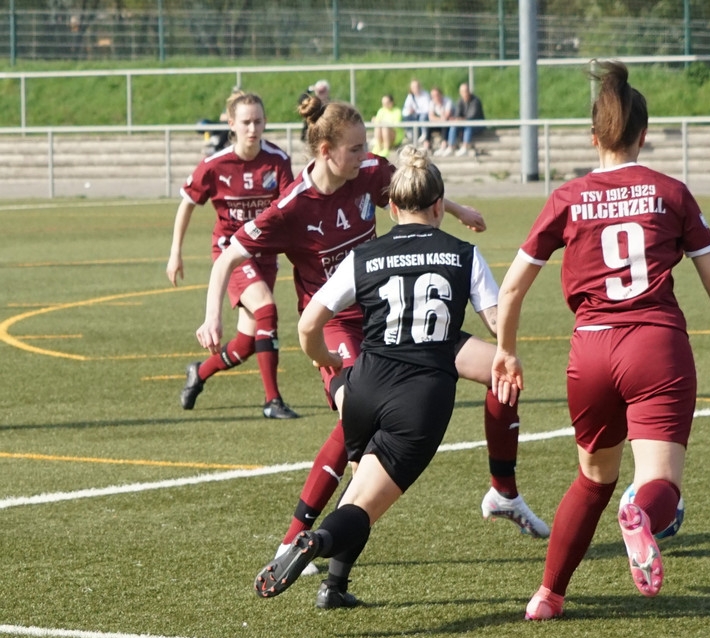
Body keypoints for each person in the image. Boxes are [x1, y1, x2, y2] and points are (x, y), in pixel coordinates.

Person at [196, 97, 549, 582]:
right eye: (357, 149)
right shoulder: (292, 206)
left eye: (366, 148)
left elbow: (414, 192)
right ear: (326, 151)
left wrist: (457, 209)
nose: (367, 157)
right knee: (353, 429)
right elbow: (228, 257)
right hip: (338, 327)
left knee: (500, 369)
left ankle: (503, 492)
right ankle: (293, 540)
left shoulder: (365, 173)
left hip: (390, 314)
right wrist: (212, 315)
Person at [490, 61, 710, 621]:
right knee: (659, 483)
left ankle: (548, 595)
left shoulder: (568, 197)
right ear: (644, 134)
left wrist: (506, 350)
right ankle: (641, 515)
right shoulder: (670, 192)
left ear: (594, 137)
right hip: (655, 345)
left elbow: (511, 286)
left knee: (592, 480)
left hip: (590, 351)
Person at [253, 146, 503, 605]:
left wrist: (327, 360)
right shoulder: (463, 254)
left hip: (364, 387)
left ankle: (334, 587)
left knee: (360, 486)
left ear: (391, 209)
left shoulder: (363, 256)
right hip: (419, 397)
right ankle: (316, 542)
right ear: (438, 207)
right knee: (363, 506)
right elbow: (498, 324)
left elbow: (308, 325)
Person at [168, 91, 298, 419]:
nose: (253, 129)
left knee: (246, 343)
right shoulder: (215, 165)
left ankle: (199, 372)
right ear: (231, 124)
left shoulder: (277, 161)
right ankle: (272, 401)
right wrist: (175, 253)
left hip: (265, 255)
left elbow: (290, 209)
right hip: (231, 252)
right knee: (267, 309)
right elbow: (187, 203)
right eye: (246, 122)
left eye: (258, 122)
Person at [444, 82, 485, 156]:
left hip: (477, 125)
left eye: (466, 91)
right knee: (453, 126)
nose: (464, 93)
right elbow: (457, 114)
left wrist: (460, 119)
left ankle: (465, 147)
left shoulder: (475, 101)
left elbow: (472, 117)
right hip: (464, 123)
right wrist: (456, 119)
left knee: (468, 126)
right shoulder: (460, 101)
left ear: (469, 91)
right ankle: (451, 146)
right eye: (462, 92)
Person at [401, 79, 432, 151]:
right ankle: (409, 134)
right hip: (415, 116)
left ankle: (424, 134)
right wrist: (409, 111)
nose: (416, 89)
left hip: (424, 116)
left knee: (423, 117)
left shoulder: (425, 95)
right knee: (406, 117)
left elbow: (427, 109)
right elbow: (405, 110)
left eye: (417, 86)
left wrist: (415, 111)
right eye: (413, 87)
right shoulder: (410, 96)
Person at [371, 94, 405, 158]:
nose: (384, 105)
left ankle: (386, 148)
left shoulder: (397, 111)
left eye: (386, 103)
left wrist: (382, 122)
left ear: (391, 102)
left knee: (385, 127)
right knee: (378, 126)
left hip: (395, 136)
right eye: (383, 103)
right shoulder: (381, 110)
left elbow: (396, 125)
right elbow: (377, 121)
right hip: (382, 134)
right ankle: (378, 146)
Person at [429, 86, 455, 155]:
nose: (435, 97)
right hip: (439, 122)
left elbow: (446, 116)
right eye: (433, 96)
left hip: (448, 124)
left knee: (444, 124)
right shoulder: (432, 103)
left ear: (441, 94)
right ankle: (426, 145)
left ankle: (444, 145)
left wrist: (438, 118)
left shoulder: (448, 101)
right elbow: (431, 117)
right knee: (427, 126)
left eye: (437, 95)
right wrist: (439, 119)